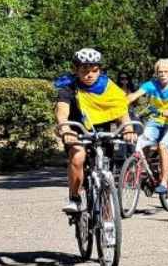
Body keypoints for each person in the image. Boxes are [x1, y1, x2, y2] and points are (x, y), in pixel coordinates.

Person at [54, 48, 134, 215]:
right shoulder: (68, 87)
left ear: (100, 70)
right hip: (77, 130)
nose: (89, 75)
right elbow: (62, 112)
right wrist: (66, 129)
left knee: (107, 174)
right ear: (75, 69)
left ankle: (107, 219)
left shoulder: (109, 87)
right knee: (78, 157)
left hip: (102, 133)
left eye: (94, 70)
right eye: (84, 70)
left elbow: (121, 112)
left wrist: (128, 128)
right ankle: (74, 198)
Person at [127, 58, 168, 199]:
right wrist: (122, 102)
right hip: (155, 120)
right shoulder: (150, 85)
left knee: (163, 145)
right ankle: (146, 174)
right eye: (160, 72)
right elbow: (135, 95)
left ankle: (164, 183)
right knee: (142, 143)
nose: (163, 74)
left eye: (166, 72)